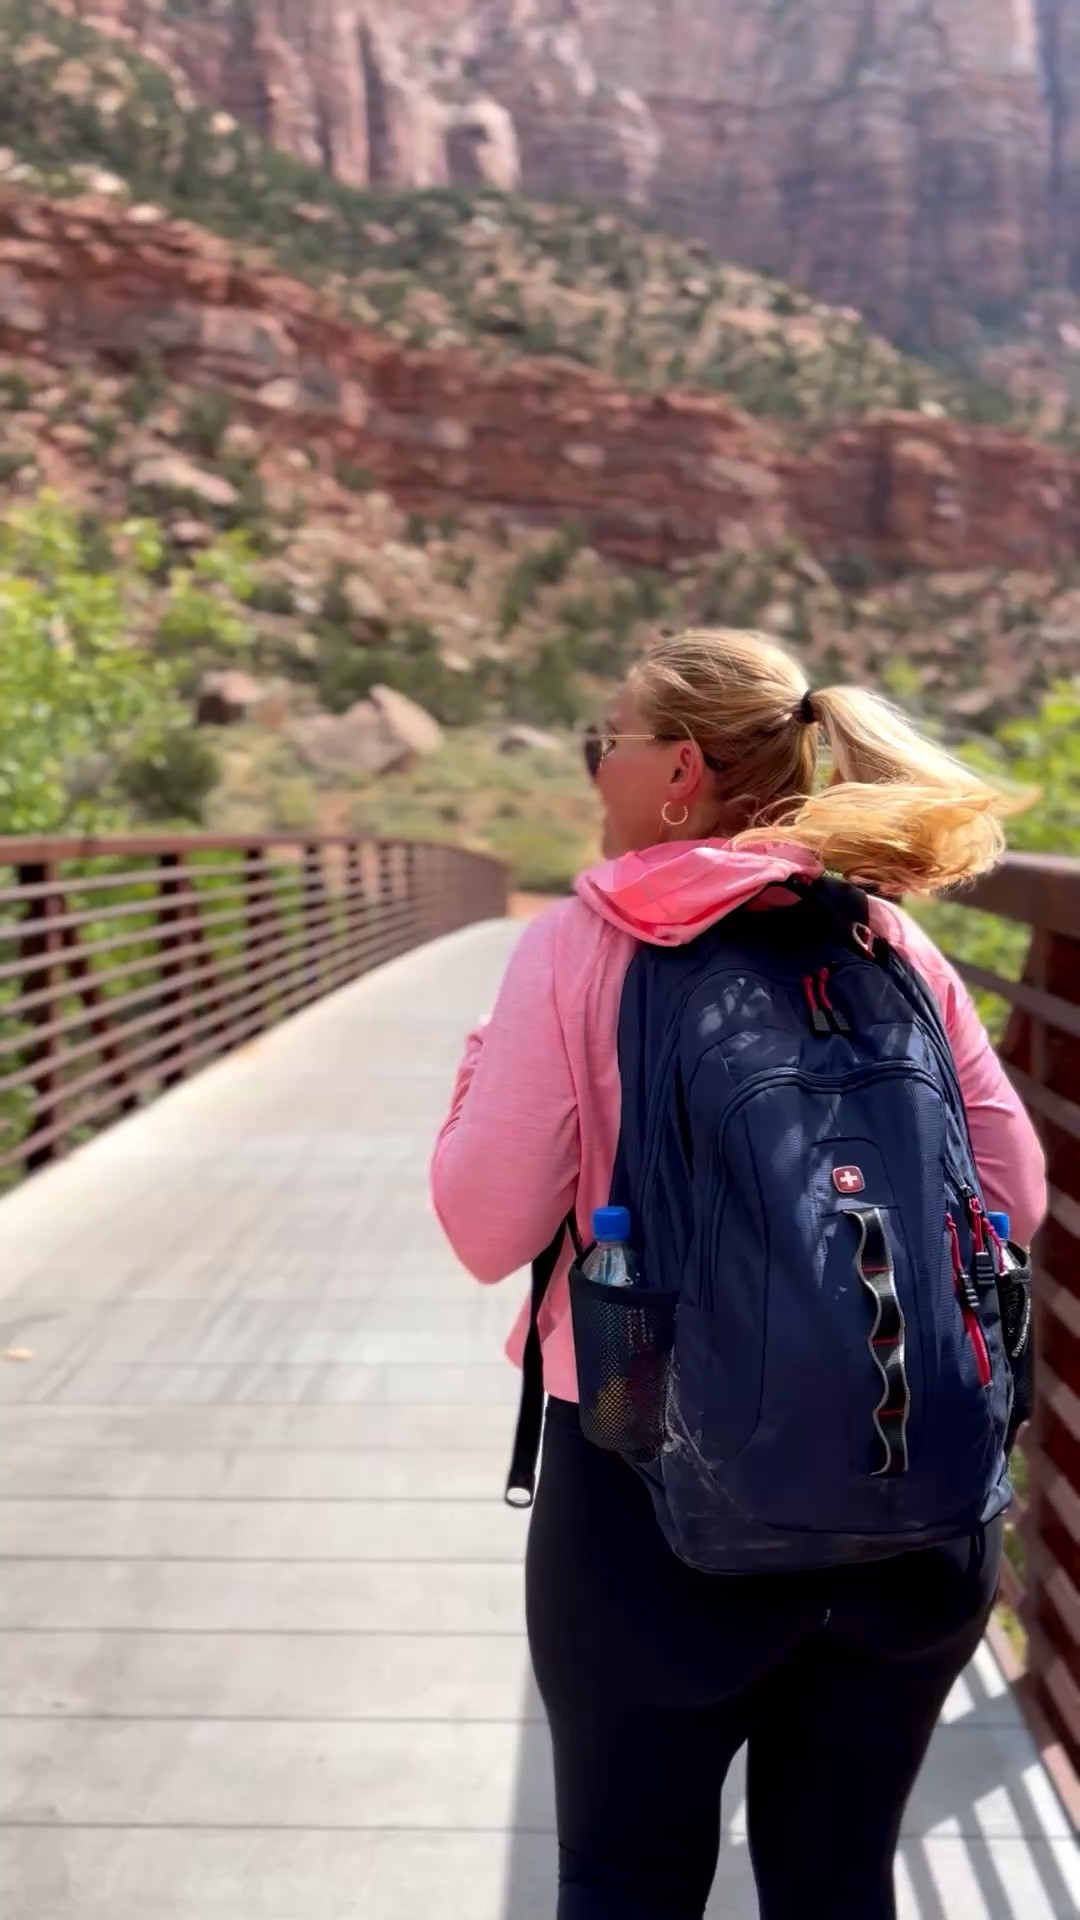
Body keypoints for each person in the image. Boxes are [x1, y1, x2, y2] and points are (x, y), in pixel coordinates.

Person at [431, 628, 1047, 1920]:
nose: (595, 766)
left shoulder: (578, 946)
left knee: (626, 1879)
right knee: (836, 1883)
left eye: (611, 741)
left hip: (648, 1499)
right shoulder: (885, 939)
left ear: (681, 773)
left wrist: (500, 1050)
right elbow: (1020, 1197)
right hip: (910, 1497)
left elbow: (485, 1225)